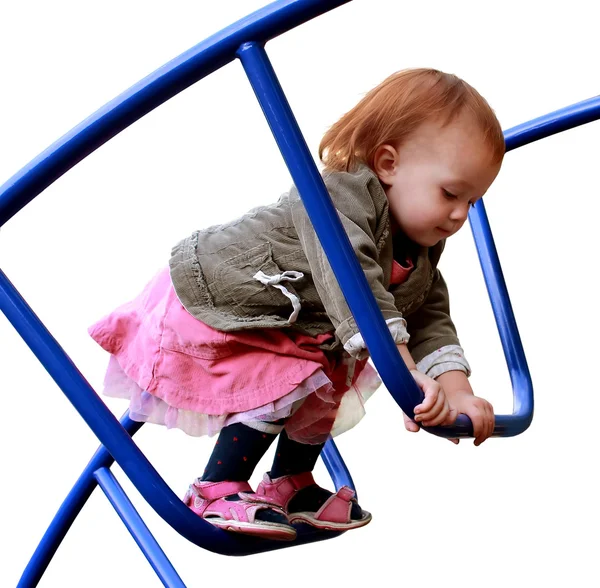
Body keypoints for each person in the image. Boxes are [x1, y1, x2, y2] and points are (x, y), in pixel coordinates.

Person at [89, 68, 504, 541]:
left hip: (292, 321)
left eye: (472, 201)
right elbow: (353, 277)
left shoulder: (421, 248)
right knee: (286, 375)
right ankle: (215, 487)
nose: (460, 214)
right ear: (388, 164)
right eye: (451, 193)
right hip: (226, 293)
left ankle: (290, 483)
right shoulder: (338, 196)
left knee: (326, 373)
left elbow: (430, 316)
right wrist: (404, 369)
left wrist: (458, 389)